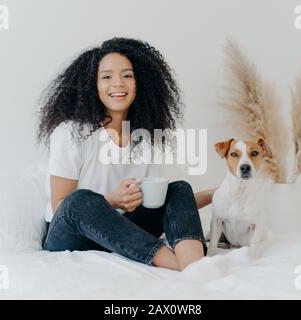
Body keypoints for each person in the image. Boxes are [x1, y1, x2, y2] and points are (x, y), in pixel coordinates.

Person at [36, 38, 215, 271]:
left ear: (140, 83)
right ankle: (177, 265)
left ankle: (196, 266)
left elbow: (160, 204)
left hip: (123, 230)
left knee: (179, 188)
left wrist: (214, 195)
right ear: (92, 84)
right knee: (80, 200)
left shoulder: (144, 138)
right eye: (107, 77)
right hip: (72, 234)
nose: (118, 83)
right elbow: (63, 207)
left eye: (127, 75)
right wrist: (111, 200)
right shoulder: (71, 132)